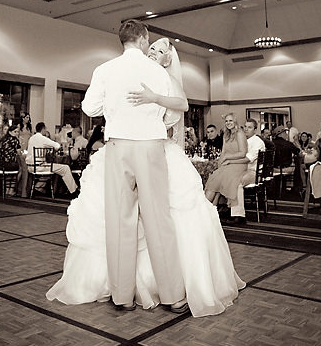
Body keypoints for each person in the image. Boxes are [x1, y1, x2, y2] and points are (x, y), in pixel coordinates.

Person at [47, 35, 244, 317]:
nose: (153, 52)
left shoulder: (152, 76)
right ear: (141, 42)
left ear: (169, 58)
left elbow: (177, 111)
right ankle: (154, 294)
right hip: (147, 149)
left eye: (160, 50)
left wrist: (148, 101)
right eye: (151, 47)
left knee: (142, 219)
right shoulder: (146, 73)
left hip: (145, 150)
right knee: (146, 220)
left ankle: (135, 293)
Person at [203, 113, 249, 217]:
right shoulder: (226, 134)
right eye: (226, 121)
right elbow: (223, 152)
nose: (228, 123)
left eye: (230, 121)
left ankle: (205, 211)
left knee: (220, 179)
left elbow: (243, 153)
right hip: (228, 165)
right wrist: (221, 163)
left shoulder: (240, 133)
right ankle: (208, 211)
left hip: (239, 165)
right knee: (213, 179)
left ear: (235, 121)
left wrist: (227, 157)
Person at [26, 122, 78, 197]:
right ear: (43, 129)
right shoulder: (43, 138)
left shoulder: (31, 138)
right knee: (65, 168)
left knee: (54, 168)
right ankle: (74, 191)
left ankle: (39, 189)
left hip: (30, 167)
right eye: (45, 129)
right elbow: (57, 145)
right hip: (40, 167)